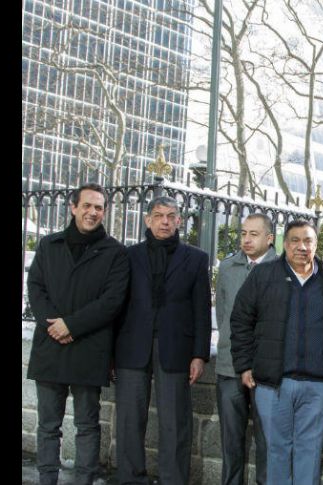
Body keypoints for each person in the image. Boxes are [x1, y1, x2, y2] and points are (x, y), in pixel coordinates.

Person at [27, 183, 130, 485]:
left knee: (87, 425)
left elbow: (112, 301)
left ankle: (84, 480)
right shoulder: (49, 245)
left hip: (89, 347)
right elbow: (36, 288)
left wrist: (71, 326)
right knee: (48, 425)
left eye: (99, 207)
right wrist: (53, 326)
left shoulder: (115, 253)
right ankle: (47, 480)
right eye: (87, 205)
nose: (93, 212)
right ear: (73, 207)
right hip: (50, 346)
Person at [114, 196, 212, 485]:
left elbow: (202, 311)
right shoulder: (129, 256)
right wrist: (110, 352)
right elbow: (117, 304)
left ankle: (174, 480)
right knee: (130, 420)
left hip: (176, 349)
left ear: (179, 221)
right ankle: (131, 479)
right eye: (159, 215)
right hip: (131, 347)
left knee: (175, 423)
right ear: (148, 220)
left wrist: (199, 354)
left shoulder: (196, 259)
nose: (165, 221)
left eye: (171, 216)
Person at [230, 220, 323, 485]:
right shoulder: (264, 275)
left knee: (309, 454)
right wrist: (244, 365)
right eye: (295, 241)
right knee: (276, 451)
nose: (302, 247)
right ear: (284, 244)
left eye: (308, 241)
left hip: (317, 384)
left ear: (316, 244)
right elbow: (241, 320)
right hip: (273, 383)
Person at [215, 213, 277, 485]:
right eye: (243, 233)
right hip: (229, 366)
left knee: (268, 439)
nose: (247, 239)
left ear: (270, 238)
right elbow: (222, 314)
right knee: (231, 438)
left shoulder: (281, 269)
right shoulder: (228, 268)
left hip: (267, 371)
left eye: (254, 234)